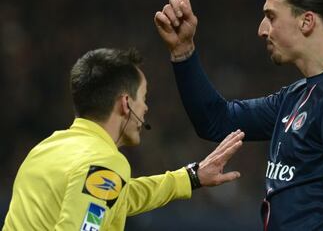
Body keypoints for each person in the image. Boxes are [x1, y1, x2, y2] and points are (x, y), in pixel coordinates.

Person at [154, 0, 323, 230]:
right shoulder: (300, 96)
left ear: (306, 21)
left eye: (271, 17)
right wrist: (184, 51)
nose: (262, 30)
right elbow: (215, 120)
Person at [3, 48, 245, 230]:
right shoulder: (106, 162)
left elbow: (119, 196)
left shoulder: (45, 149)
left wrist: (191, 177)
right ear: (126, 103)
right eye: (143, 97)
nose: (146, 108)